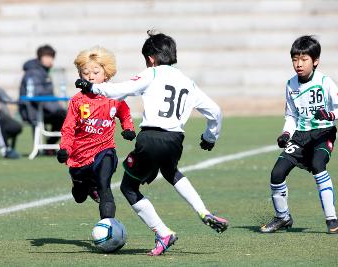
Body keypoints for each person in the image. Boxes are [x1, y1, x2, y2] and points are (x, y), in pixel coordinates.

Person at [75, 30, 229, 256]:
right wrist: (210, 137)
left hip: (150, 138)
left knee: (128, 187)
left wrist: (92, 87)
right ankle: (202, 210)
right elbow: (215, 111)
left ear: (150, 58)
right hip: (175, 140)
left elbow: (121, 90)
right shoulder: (188, 82)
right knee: (171, 171)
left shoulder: (152, 74)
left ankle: (163, 232)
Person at [260, 35, 338, 234]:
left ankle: (331, 218)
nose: (298, 64)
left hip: (323, 133)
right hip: (300, 136)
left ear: (315, 61)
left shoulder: (325, 82)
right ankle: (283, 217)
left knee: (318, 165)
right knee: (277, 173)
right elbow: (291, 114)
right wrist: (286, 133)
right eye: (294, 59)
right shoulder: (291, 84)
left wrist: (331, 114)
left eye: (304, 59)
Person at [56, 46, 136, 220]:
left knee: (104, 186)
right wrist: (65, 149)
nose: (90, 76)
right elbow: (68, 128)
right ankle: (81, 184)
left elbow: (124, 112)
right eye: (85, 72)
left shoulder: (114, 96)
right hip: (80, 156)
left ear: (106, 73)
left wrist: (128, 128)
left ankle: (108, 226)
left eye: (95, 71)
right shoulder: (77, 100)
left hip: (104, 150)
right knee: (79, 197)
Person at [19, 45, 66, 152]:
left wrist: (57, 106)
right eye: (47, 57)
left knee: (65, 116)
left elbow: (48, 95)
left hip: (43, 109)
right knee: (65, 116)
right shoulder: (33, 72)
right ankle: (50, 146)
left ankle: (49, 146)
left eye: (51, 57)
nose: (50, 60)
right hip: (32, 110)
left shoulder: (44, 72)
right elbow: (38, 96)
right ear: (40, 57)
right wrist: (56, 108)